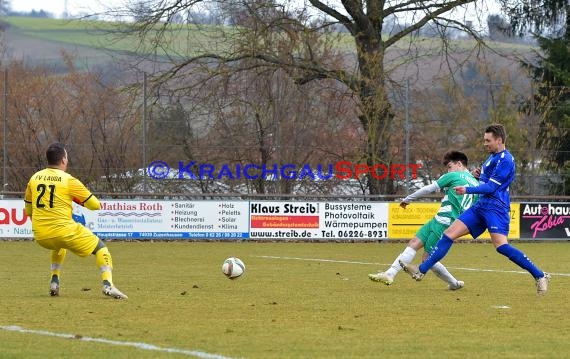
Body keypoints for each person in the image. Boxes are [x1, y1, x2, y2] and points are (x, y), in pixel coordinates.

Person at [400, 124, 551, 295]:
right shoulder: (491, 157)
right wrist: (478, 175)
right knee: (448, 234)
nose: (485, 144)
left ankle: (540, 275)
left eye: (488, 140)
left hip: (496, 209)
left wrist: (467, 189)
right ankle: (421, 270)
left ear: (499, 140)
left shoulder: (506, 160)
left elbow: (491, 188)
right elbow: (486, 180)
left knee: (501, 246)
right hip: (480, 206)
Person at [24, 142, 128, 299]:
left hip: (41, 236)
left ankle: (54, 281)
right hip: (64, 231)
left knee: (59, 246)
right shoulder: (68, 180)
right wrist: (77, 199)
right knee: (101, 248)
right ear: (63, 160)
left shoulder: (34, 178)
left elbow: (29, 210)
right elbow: (95, 205)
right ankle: (108, 285)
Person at [368, 151, 479, 290]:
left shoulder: (454, 175)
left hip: (445, 224)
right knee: (414, 243)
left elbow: (429, 188)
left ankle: (454, 283)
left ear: (459, 164)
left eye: (450, 166)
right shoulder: (476, 183)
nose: (448, 170)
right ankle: (389, 274)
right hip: (439, 220)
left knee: (427, 260)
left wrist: (409, 198)